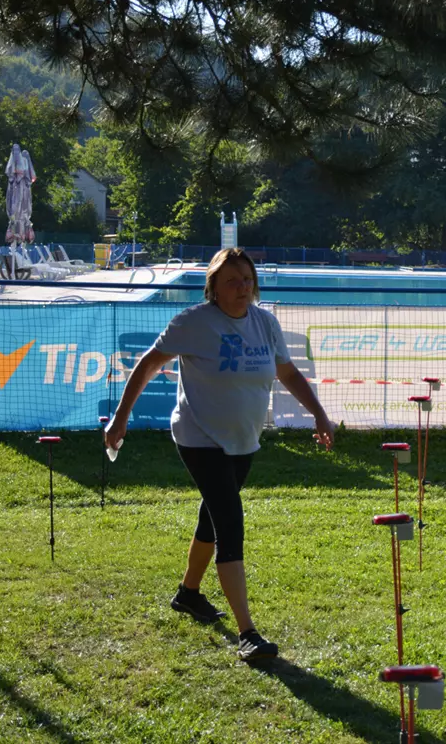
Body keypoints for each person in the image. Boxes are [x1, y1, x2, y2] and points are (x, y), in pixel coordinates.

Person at [104, 248, 335, 662]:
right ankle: (247, 633)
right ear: (213, 287)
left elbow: (287, 372)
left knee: (211, 517)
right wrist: (121, 418)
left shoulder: (265, 323)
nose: (242, 287)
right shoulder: (195, 322)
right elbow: (148, 364)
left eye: (247, 278)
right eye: (231, 280)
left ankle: (188, 593)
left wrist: (318, 413)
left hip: (243, 438)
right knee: (230, 521)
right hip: (199, 436)